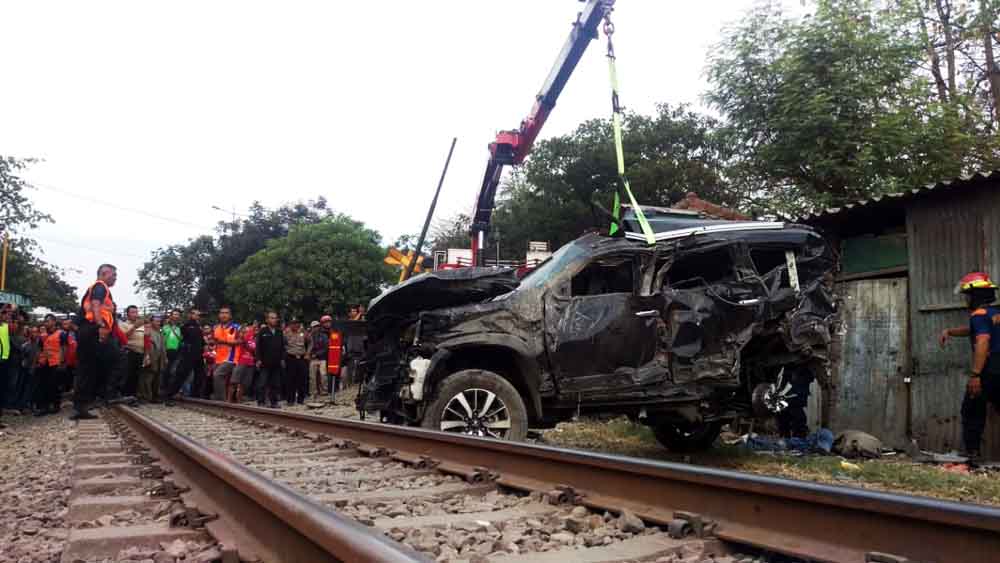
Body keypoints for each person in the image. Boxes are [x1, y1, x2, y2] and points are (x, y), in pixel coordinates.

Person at [939, 272, 1000, 459]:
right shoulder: (994, 313)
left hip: (989, 370)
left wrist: (975, 375)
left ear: (976, 296)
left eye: (968, 296)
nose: (966, 300)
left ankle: (973, 455)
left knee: (972, 411)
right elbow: (974, 330)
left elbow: (982, 340)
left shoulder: (978, 315)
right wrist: (950, 331)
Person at [73, 263, 125, 420]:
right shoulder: (100, 286)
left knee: (91, 367)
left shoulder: (99, 289)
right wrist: (100, 325)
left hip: (89, 330)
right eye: (113, 275)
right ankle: (107, 395)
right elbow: (96, 305)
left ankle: (88, 402)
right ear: (104, 273)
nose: (115, 278)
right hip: (93, 330)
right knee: (117, 359)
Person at [163, 309, 205, 406]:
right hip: (188, 354)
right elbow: (185, 337)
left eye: (199, 314)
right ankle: (169, 395)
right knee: (181, 374)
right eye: (196, 314)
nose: (198, 316)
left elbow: (200, 340)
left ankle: (196, 395)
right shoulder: (186, 326)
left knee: (200, 375)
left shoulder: (198, 327)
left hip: (198, 354)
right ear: (191, 315)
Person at [36, 314, 68, 415]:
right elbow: (40, 349)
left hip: (56, 363)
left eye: (48, 321)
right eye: (45, 321)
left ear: (54, 322)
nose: (46, 323)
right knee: (44, 385)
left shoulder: (61, 333)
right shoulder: (43, 336)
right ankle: (44, 407)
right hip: (45, 363)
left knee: (55, 385)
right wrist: (39, 361)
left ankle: (56, 405)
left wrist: (62, 362)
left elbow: (64, 348)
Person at [255, 311, 285, 408]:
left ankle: (274, 402)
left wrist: (282, 359)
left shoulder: (279, 332)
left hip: (276, 362)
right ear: (267, 320)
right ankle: (261, 401)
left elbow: (282, 347)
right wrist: (258, 359)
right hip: (265, 362)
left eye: (275, 318)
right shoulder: (262, 331)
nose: (274, 320)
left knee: (275, 384)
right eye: (271, 318)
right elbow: (258, 347)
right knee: (262, 383)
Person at [211, 307, 240, 401]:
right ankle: (224, 400)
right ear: (219, 315)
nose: (224, 315)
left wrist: (223, 341)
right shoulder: (216, 328)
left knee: (217, 375)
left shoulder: (237, 327)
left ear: (230, 315)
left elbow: (241, 341)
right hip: (218, 358)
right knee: (219, 378)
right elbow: (214, 341)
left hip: (231, 358)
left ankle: (221, 401)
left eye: (226, 313)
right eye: (222, 313)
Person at [140, 316, 167, 403]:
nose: (158, 323)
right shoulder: (148, 331)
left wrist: (165, 357)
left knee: (157, 378)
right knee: (148, 377)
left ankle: (155, 396)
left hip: (160, 358)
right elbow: (146, 345)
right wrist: (147, 357)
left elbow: (163, 346)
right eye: (156, 321)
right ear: (152, 322)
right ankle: (146, 396)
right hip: (151, 357)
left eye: (159, 321)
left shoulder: (160, 332)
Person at [120, 305, 145, 399]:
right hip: (129, 352)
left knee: (136, 375)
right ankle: (124, 395)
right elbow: (123, 337)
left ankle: (133, 396)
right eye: (133, 312)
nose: (135, 314)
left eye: (136, 312)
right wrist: (134, 327)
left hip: (140, 353)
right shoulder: (123, 324)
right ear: (127, 314)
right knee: (128, 375)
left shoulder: (142, 325)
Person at [284, 318, 308, 405]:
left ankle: (301, 400)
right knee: (290, 380)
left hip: (301, 358)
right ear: (290, 324)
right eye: (293, 323)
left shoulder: (303, 332)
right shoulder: (286, 332)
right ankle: (290, 400)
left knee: (302, 379)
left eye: (297, 323)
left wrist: (308, 353)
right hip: (291, 357)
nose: (295, 325)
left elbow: (310, 342)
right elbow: (282, 344)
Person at [231, 324, 256, 403]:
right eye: (245, 331)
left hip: (250, 363)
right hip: (240, 361)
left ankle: (239, 399)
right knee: (234, 381)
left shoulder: (254, 340)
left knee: (244, 384)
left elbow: (254, 350)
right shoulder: (240, 339)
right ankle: (229, 400)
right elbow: (239, 341)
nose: (247, 332)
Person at [307, 317, 331, 399]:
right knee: (312, 377)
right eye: (314, 327)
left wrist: (316, 354)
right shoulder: (308, 336)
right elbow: (306, 347)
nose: (315, 328)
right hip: (312, 359)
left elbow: (326, 348)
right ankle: (313, 392)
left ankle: (324, 391)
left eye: (317, 326)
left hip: (322, 358)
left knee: (323, 375)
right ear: (311, 327)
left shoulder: (323, 336)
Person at [0, 305, 12, 427]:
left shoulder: (5, 326)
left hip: (5, 361)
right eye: (3, 313)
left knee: (2, 390)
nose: (5, 315)